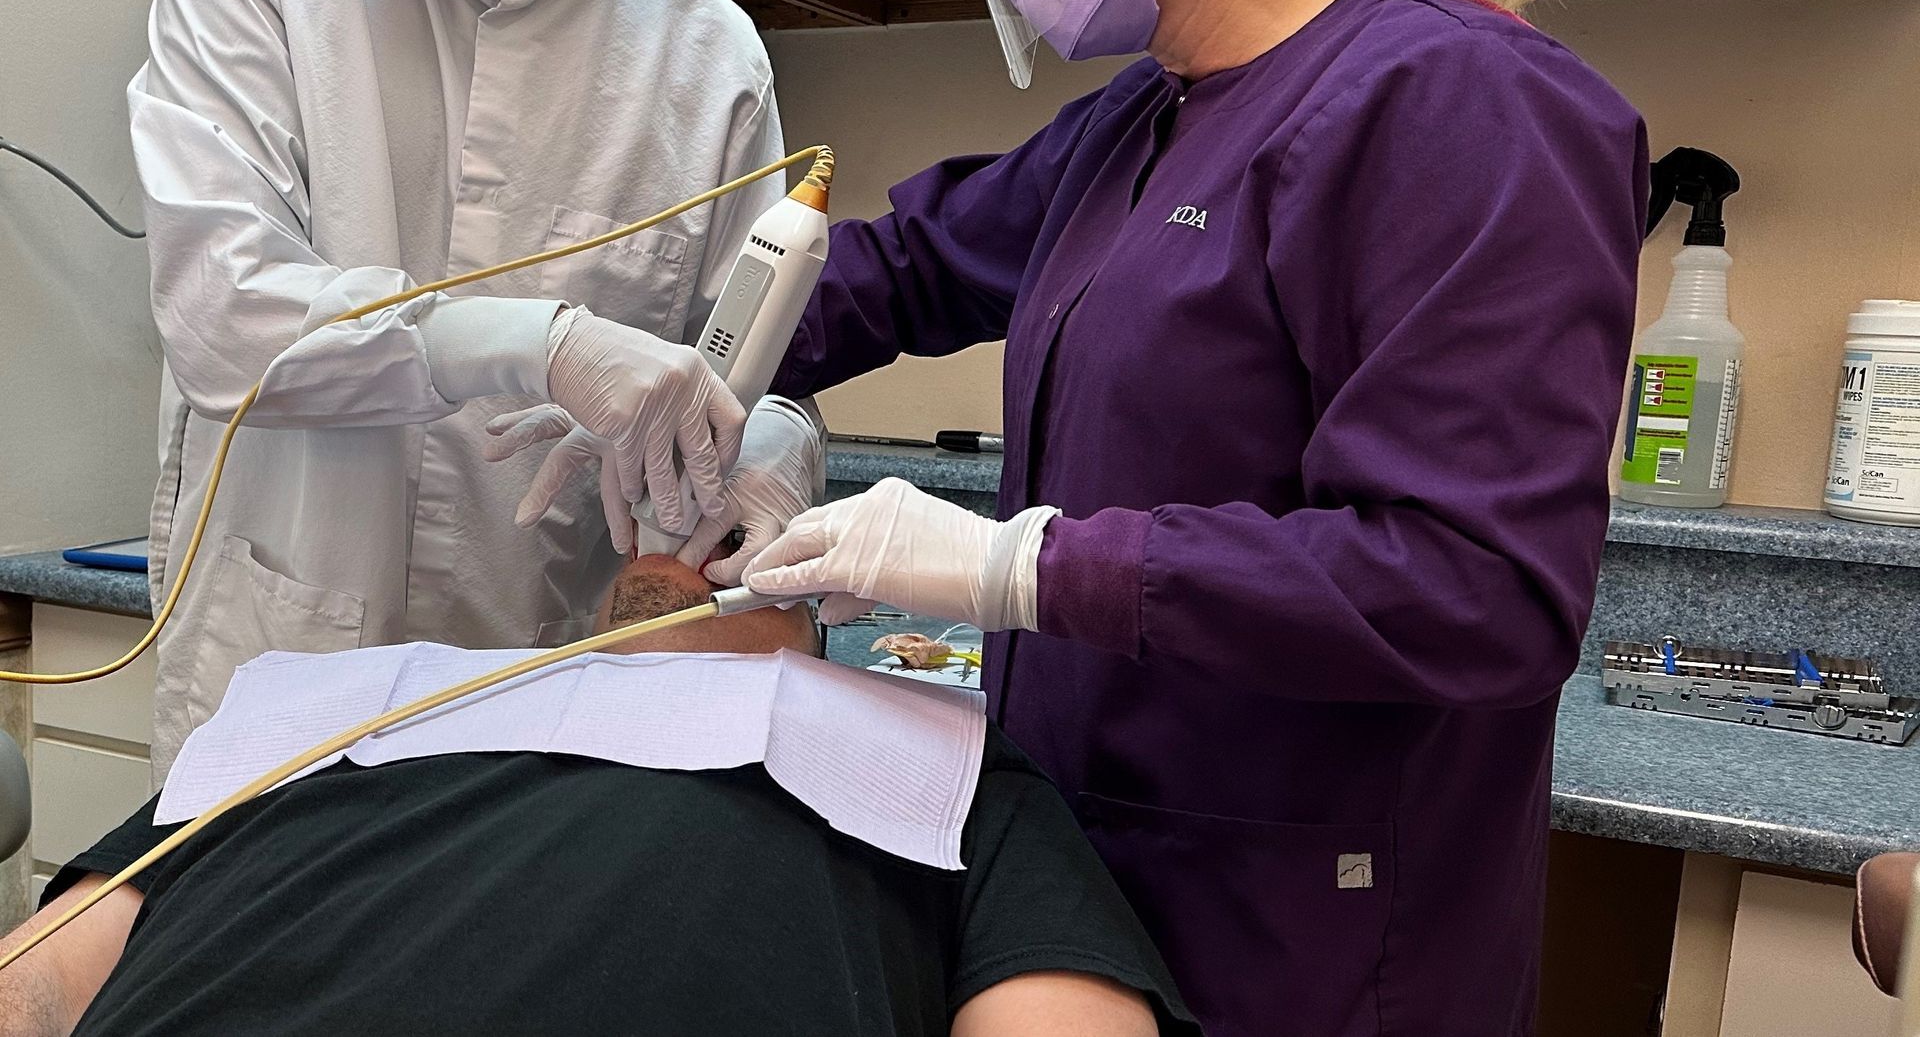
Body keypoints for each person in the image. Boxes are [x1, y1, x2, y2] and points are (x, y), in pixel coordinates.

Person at [717, 0, 1648, 1037]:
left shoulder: (1463, 106)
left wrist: (1024, 564)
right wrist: (683, 362)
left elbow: (1475, 585)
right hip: (1095, 893)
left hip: (1318, 941)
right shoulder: (1140, 124)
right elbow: (901, 270)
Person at [128, 0, 821, 777]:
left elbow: (745, 372)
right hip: (265, 705)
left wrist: (766, 457)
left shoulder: (708, 62)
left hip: (542, 723)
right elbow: (222, 314)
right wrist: (538, 344)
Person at [0, 558, 1199, 1037]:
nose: (683, 540)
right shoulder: (354, 701)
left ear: (831, 604)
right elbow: (42, 977)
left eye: (732, 535)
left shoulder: (927, 757)